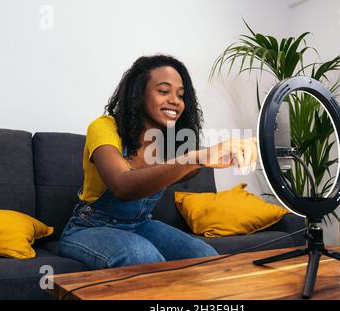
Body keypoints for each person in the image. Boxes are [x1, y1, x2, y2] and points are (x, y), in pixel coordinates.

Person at [58, 54, 258, 270]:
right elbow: (122, 186)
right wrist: (198, 157)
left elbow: (183, 171)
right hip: (89, 227)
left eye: (181, 96)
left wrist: (212, 160)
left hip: (141, 224)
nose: (175, 101)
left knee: (205, 257)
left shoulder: (170, 140)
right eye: (163, 91)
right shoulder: (104, 127)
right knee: (141, 255)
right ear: (138, 93)